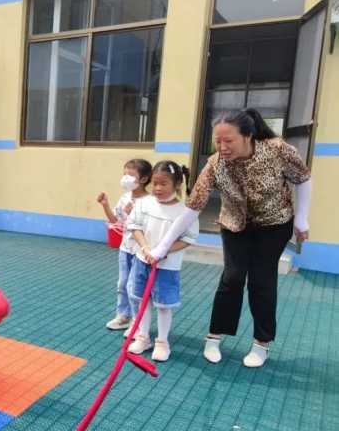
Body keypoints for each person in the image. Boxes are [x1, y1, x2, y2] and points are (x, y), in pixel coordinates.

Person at [149, 108, 312, 368]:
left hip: (274, 224)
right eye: (217, 141)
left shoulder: (277, 150)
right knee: (232, 277)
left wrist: (302, 218)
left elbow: (303, 179)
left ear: (248, 136)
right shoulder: (215, 164)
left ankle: (261, 343)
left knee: (261, 281)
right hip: (234, 224)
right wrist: (163, 246)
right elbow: (192, 207)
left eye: (229, 141)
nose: (222, 147)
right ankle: (215, 337)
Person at [126, 161, 198, 362]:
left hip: (167, 267)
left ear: (176, 184)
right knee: (143, 301)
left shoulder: (184, 211)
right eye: (154, 183)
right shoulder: (144, 203)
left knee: (164, 305)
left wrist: (164, 252)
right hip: (143, 261)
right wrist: (146, 249)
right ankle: (143, 337)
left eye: (163, 184)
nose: (157, 188)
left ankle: (162, 342)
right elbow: (134, 226)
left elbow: (188, 238)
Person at [97, 159, 152, 336]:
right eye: (125, 174)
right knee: (122, 283)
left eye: (131, 175)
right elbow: (115, 220)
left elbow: (147, 226)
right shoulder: (125, 197)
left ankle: (137, 321)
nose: (126, 178)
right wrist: (105, 205)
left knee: (134, 286)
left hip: (140, 251)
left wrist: (131, 214)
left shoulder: (149, 201)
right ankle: (123, 315)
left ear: (143, 179)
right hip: (125, 248)